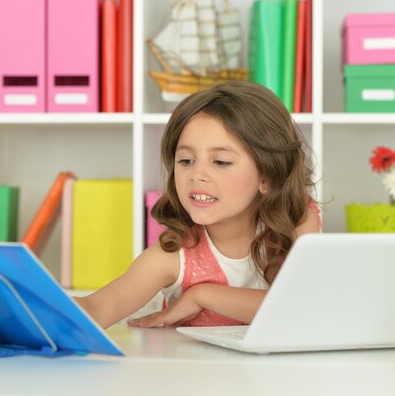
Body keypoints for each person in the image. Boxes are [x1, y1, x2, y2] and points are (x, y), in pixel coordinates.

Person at [75, 80, 321, 329]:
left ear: (268, 176)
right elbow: (97, 308)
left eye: (221, 162)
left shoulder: (297, 219)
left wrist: (202, 295)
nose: (197, 174)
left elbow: (299, 309)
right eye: (186, 160)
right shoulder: (171, 257)